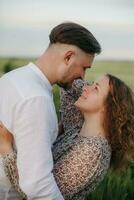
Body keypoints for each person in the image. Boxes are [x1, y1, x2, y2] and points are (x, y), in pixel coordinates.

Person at [0, 22, 101, 200]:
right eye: (84, 68)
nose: (83, 77)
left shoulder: (13, 77)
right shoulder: (36, 99)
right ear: (68, 57)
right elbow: (38, 186)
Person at [0, 74, 134, 200]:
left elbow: (37, 193)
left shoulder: (91, 152)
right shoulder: (78, 127)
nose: (86, 87)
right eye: (91, 84)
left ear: (109, 108)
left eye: (95, 88)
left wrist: (5, 147)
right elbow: (69, 84)